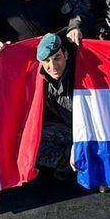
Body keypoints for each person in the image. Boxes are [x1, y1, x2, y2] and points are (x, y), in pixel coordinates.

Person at [34, 33, 77, 180]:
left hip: (88, 133)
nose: (52, 66)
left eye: (57, 58)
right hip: (66, 129)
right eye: (46, 61)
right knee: (31, 144)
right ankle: (65, 160)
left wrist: (80, 145)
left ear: (66, 54)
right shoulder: (42, 80)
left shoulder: (80, 77)